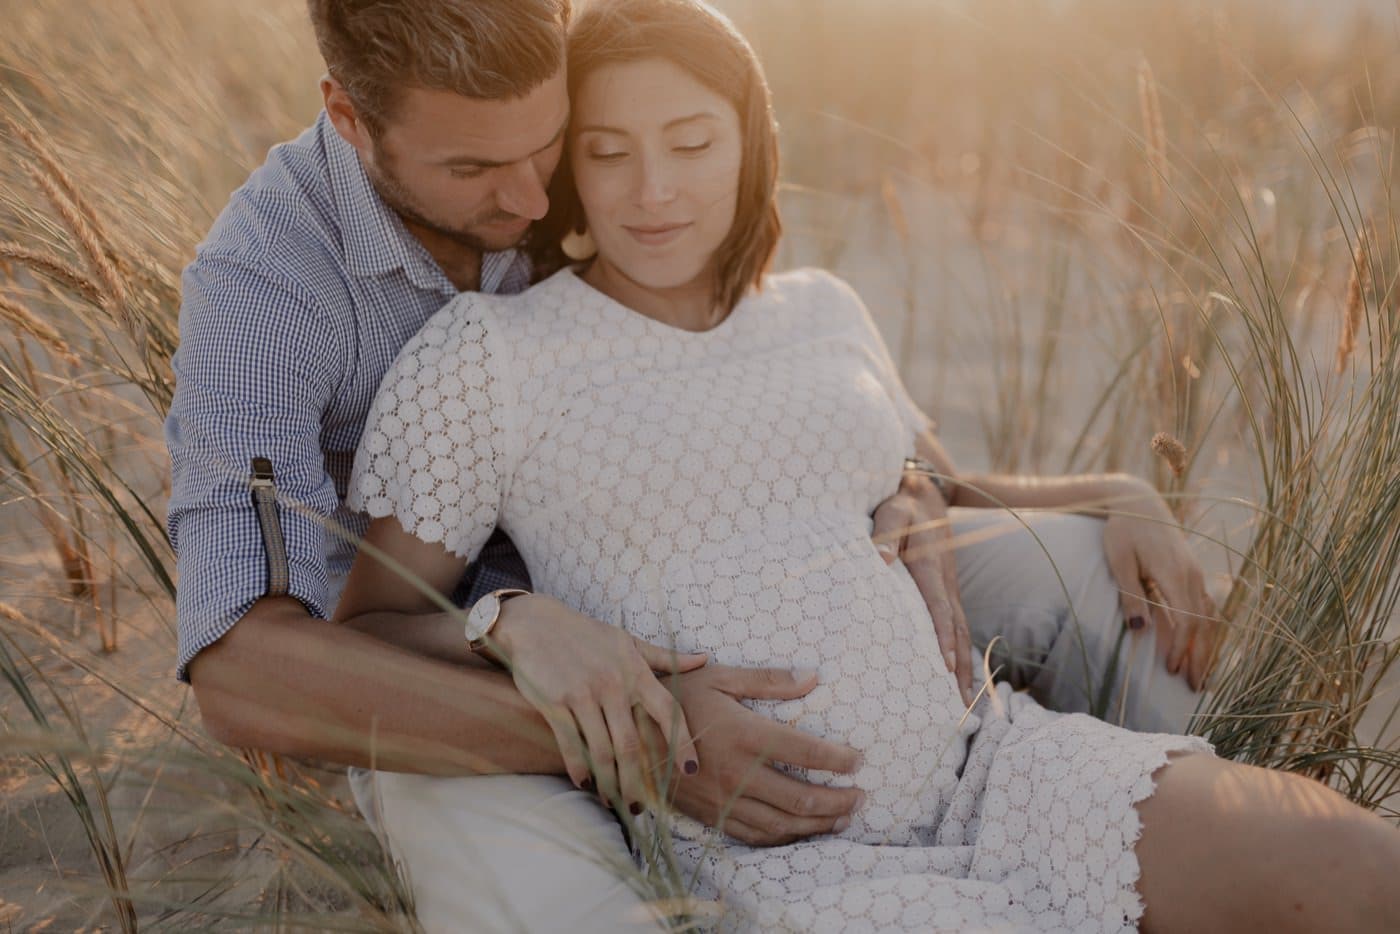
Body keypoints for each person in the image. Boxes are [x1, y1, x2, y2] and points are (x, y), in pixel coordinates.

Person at [333, 0, 1400, 931]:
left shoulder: (822, 309)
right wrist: (508, 617)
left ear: (752, 140)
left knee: (1358, 873)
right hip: (774, 862)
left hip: (991, 770)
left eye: (692, 142)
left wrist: (1115, 492)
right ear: (569, 164)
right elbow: (374, 624)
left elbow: (936, 487)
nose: (652, 190)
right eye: (608, 152)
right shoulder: (493, 355)